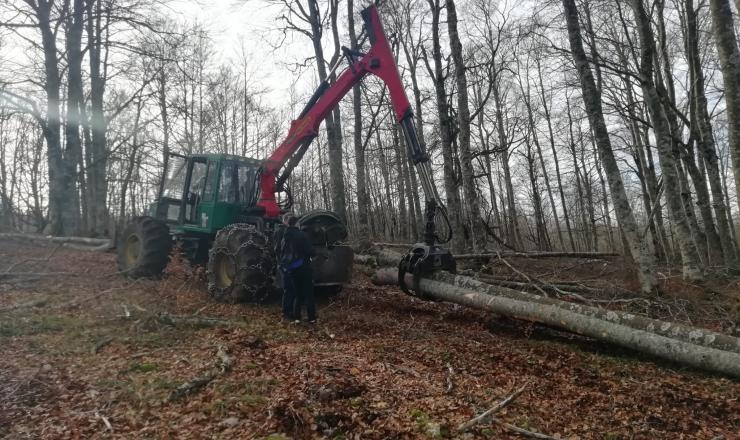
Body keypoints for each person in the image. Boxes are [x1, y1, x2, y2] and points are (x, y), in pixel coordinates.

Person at [278, 214, 317, 323]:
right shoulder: (301, 235)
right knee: (309, 293)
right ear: (297, 224)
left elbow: (281, 252)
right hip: (304, 267)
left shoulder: (284, 237)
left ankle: (296, 317)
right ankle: (311, 317)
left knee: (297, 293)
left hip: (291, 269)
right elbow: (310, 251)